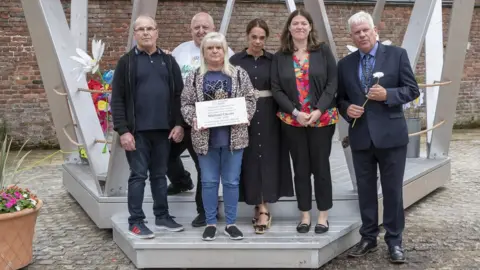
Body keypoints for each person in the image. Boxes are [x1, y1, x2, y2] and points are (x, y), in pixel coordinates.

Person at [336, 11, 420, 263]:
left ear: (375, 32)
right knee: (365, 190)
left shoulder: (397, 55)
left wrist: (389, 95)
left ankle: (394, 241)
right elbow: (340, 99)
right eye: (356, 32)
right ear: (351, 36)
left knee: (393, 191)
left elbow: (412, 90)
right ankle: (368, 237)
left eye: (365, 30)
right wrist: (347, 110)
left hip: (391, 136)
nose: (362, 35)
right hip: (361, 136)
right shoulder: (345, 64)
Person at [111, 15, 185, 239]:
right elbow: (117, 99)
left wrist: (180, 124)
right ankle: (136, 221)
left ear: (157, 32)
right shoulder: (127, 62)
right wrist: (123, 130)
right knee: (138, 176)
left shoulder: (169, 61)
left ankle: (162, 216)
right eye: (140, 29)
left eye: (149, 28)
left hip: (164, 131)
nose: (145, 33)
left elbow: (179, 95)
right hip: (137, 132)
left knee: (160, 176)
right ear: (135, 35)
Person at [180, 32, 256, 241]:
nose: (214, 51)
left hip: (234, 138)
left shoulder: (239, 74)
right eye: (210, 48)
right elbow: (185, 103)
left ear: (224, 50)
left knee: (232, 182)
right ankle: (211, 222)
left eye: (218, 47)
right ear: (203, 52)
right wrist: (193, 118)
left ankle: (231, 223)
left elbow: (250, 99)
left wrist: (245, 115)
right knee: (209, 182)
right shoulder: (194, 76)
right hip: (206, 140)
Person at [271, 9, 339, 234]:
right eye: (295, 23)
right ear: (289, 28)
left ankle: (323, 215)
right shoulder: (280, 56)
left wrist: (319, 110)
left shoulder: (322, 51)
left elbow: (332, 82)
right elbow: (276, 88)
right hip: (293, 121)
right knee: (300, 168)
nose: (300, 27)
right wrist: (295, 112)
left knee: (321, 167)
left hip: (322, 119)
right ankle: (304, 215)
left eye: (303, 23)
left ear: (310, 27)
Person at [167, 12, 234, 227]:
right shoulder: (179, 51)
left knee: (204, 168)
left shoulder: (225, 51)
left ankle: (205, 211)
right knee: (164, 156)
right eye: (196, 27)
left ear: (213, 29)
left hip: (208, 123)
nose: (201, 31)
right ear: (190, 29)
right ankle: (180, 181)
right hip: (181, 117)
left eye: (205, 27)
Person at [230, 18, 293, 234]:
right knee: (249, 160)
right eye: (254, 37)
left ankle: (264, 207)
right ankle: (256, 203)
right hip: (243, 116)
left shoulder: (274, 60)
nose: (257, 41)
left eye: (262, 37)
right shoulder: (235, 61)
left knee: (268, 160)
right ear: (247, 36)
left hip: (269, 115)